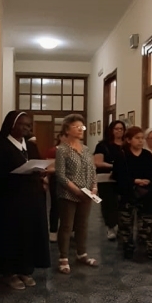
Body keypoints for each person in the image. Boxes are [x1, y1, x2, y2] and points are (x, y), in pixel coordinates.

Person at [0, 111, 50, 290]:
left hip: (32, 198)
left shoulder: (30, 146)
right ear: (12, 125)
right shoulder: (0, 146)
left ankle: (25, 269)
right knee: (11, 235)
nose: (27, 128)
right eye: (23, 124)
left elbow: (38, 164)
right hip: (10, 199)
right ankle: (9, 273)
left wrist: (41, 172)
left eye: (29, 125)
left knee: (29, 234)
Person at [115, 127, 152, 262]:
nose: (140, 141)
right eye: (137, 138)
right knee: (126, 223)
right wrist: (134, 181)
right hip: (128, 193)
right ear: (129, 140)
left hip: (145, 193)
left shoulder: (147, 155)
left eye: (142, 138)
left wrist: (148, 180)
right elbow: (118, 175)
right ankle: (128, 247)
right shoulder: (122, 155)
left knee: (147, 223)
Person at [54, 114, 99, 273]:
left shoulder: (86, 149)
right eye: (76, 127)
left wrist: (94, 187)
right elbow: (60, 175)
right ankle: (63, 258)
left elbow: (92, 170)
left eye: (82, 127)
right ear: (67, 129)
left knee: (83, 224)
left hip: (87, 194)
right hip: (68, 194)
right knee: (66, 226)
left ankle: (82, 254)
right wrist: (76, 191)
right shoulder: (62, 150)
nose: (81, 129)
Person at [94, 120, 126, 240]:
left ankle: (121, 227)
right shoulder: (103, 145)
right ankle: (110, 227)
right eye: (116, 129)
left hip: (122, 178)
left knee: (122, 204)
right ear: (111, 130)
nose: (119, 131)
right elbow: (97, 162)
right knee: (109, 204)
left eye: (121, 129)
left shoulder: (126, 145)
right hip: (106, 178)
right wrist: (115, 166)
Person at [46, 131, 63, 242]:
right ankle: (53, 230)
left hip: (72, 180)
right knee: (56, 205)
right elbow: (50, 168)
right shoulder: (54, 151)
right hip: (56, 180)